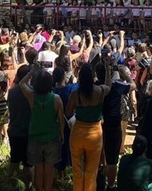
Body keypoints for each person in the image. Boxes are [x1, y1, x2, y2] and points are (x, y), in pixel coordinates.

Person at [65, 63, 111, 191]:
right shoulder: (100, 91)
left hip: (78, 132)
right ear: (93, 77)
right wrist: (108, 69)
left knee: (77, 170)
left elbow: (68, 112)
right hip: (95, 134)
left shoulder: (75, 94)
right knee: (92, 171)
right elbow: (109, 86)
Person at [20, 67, 64, 191]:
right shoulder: (56, 99)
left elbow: (22, 83)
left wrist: (31, 71)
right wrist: (62, 134)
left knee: (38, 169)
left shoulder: (31, 96)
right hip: (52, 138)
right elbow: (61, 120)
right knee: (49, 169)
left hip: (35, 137)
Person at [95, 58, 133, 190]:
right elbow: (133, 86)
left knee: (99, 156)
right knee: (112, 160)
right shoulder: (117, 86)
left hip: (97, 126)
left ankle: (99, 181)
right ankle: (110, 186)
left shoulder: (95, 87)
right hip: (113, 126)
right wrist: (126, 75)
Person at [7, 65, 34, 190]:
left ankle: (11, 184)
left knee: (14, 160)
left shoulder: (12, 92)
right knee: (28, 164)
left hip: (14, 130)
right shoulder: (32, 92)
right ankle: (28, 187)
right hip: (28, 132)